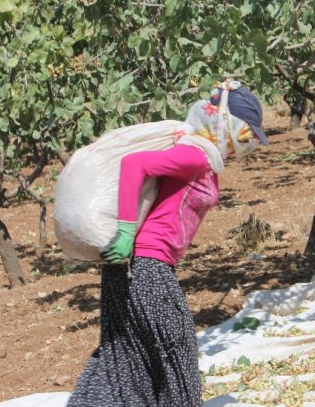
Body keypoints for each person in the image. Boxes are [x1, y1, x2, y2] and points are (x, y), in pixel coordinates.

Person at [67, 81, 268, 407]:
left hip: (129, 266)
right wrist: (127, 231)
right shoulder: (195, 156)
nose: (244, 147)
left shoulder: (201, 156)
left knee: (126, 351)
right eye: (245, 135)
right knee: (177, 350)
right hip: (148, 265)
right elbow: (134, 165)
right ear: (224, 123)